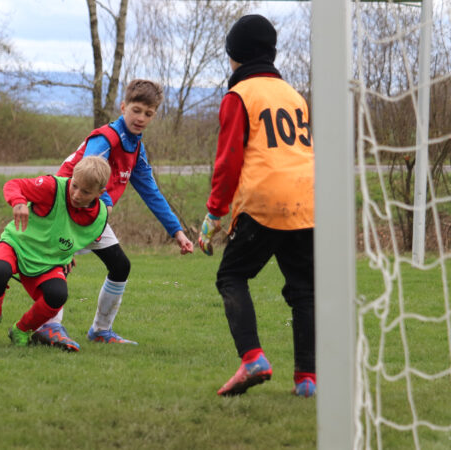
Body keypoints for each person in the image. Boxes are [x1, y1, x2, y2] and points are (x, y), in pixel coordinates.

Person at [198, 14, 316, 397]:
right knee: (304, 291)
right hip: (307, 200)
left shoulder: (240, 95)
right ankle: (307, 380)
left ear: (235, 55)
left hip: (265, 200)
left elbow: (229, 160)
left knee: (231, 276)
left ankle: (253, 358)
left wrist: (214, 213)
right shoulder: (293, 95)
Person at [31, 79, 194, 348]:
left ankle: (100, 330)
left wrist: (176, 231)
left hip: (93, 213)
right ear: (123, 107)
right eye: (136, 110)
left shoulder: (135, 148)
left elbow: (151, 191)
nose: (141, 118)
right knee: (59, 264)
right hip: (66, 208)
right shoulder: (106, 138)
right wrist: (104, 203)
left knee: (120, 266)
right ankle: (48, 326)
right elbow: (89, 173)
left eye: (148, 114)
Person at [0, 156, 111, 349]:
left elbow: (77, 236)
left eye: (85, 192)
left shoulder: (99, 217)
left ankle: (21, 330)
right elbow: (14, 185)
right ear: (71, 178)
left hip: (48, 261)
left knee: (58, 295)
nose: (76, 195)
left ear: (100, 193)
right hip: (16, 244)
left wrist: (68, 254)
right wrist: (18, 202)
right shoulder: (52, 187)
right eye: (74, 186)